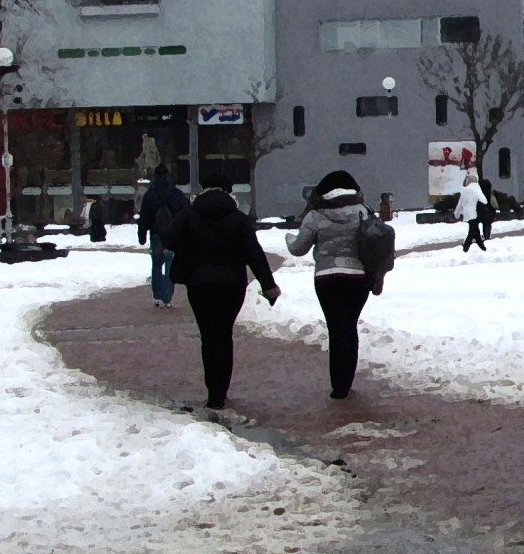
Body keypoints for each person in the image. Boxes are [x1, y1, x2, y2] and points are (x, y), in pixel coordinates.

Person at [164, 183, 279, 410]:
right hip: (232, 285)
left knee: (208, 336)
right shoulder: (238, 218)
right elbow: (254, 253)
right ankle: (221, 391)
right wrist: (268, 285)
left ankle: (212, 392)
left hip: (199, 284)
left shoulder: (190, 215)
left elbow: (168, 239)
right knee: (224, 335)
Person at [285, 170, 373, 400]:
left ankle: (338, 386)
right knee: (350, 327)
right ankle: (347, 380)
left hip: (327, 277)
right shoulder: (363, 212)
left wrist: (288, 238)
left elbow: (298, 249)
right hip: (357, 277)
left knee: (336, 328)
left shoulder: (315, 215)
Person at [136, 166, 190, 307]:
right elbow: (186, 213)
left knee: (156, 265)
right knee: (170, 266)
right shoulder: (176, 194)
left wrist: (142, 235)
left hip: (156, 235)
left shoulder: (150, 195)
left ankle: (157, 295)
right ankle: (167, 297)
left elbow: (144, 217)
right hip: (172, 236)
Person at [457, 171, 489, 252]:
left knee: (475, 230)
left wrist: (456, 213)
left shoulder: (464, 190)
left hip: (467, 214)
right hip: (474, 213)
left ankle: (481, 246)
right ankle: (466, 247)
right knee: (471, 231)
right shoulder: (476, 187)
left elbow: (460, 203)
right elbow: (484, 201)